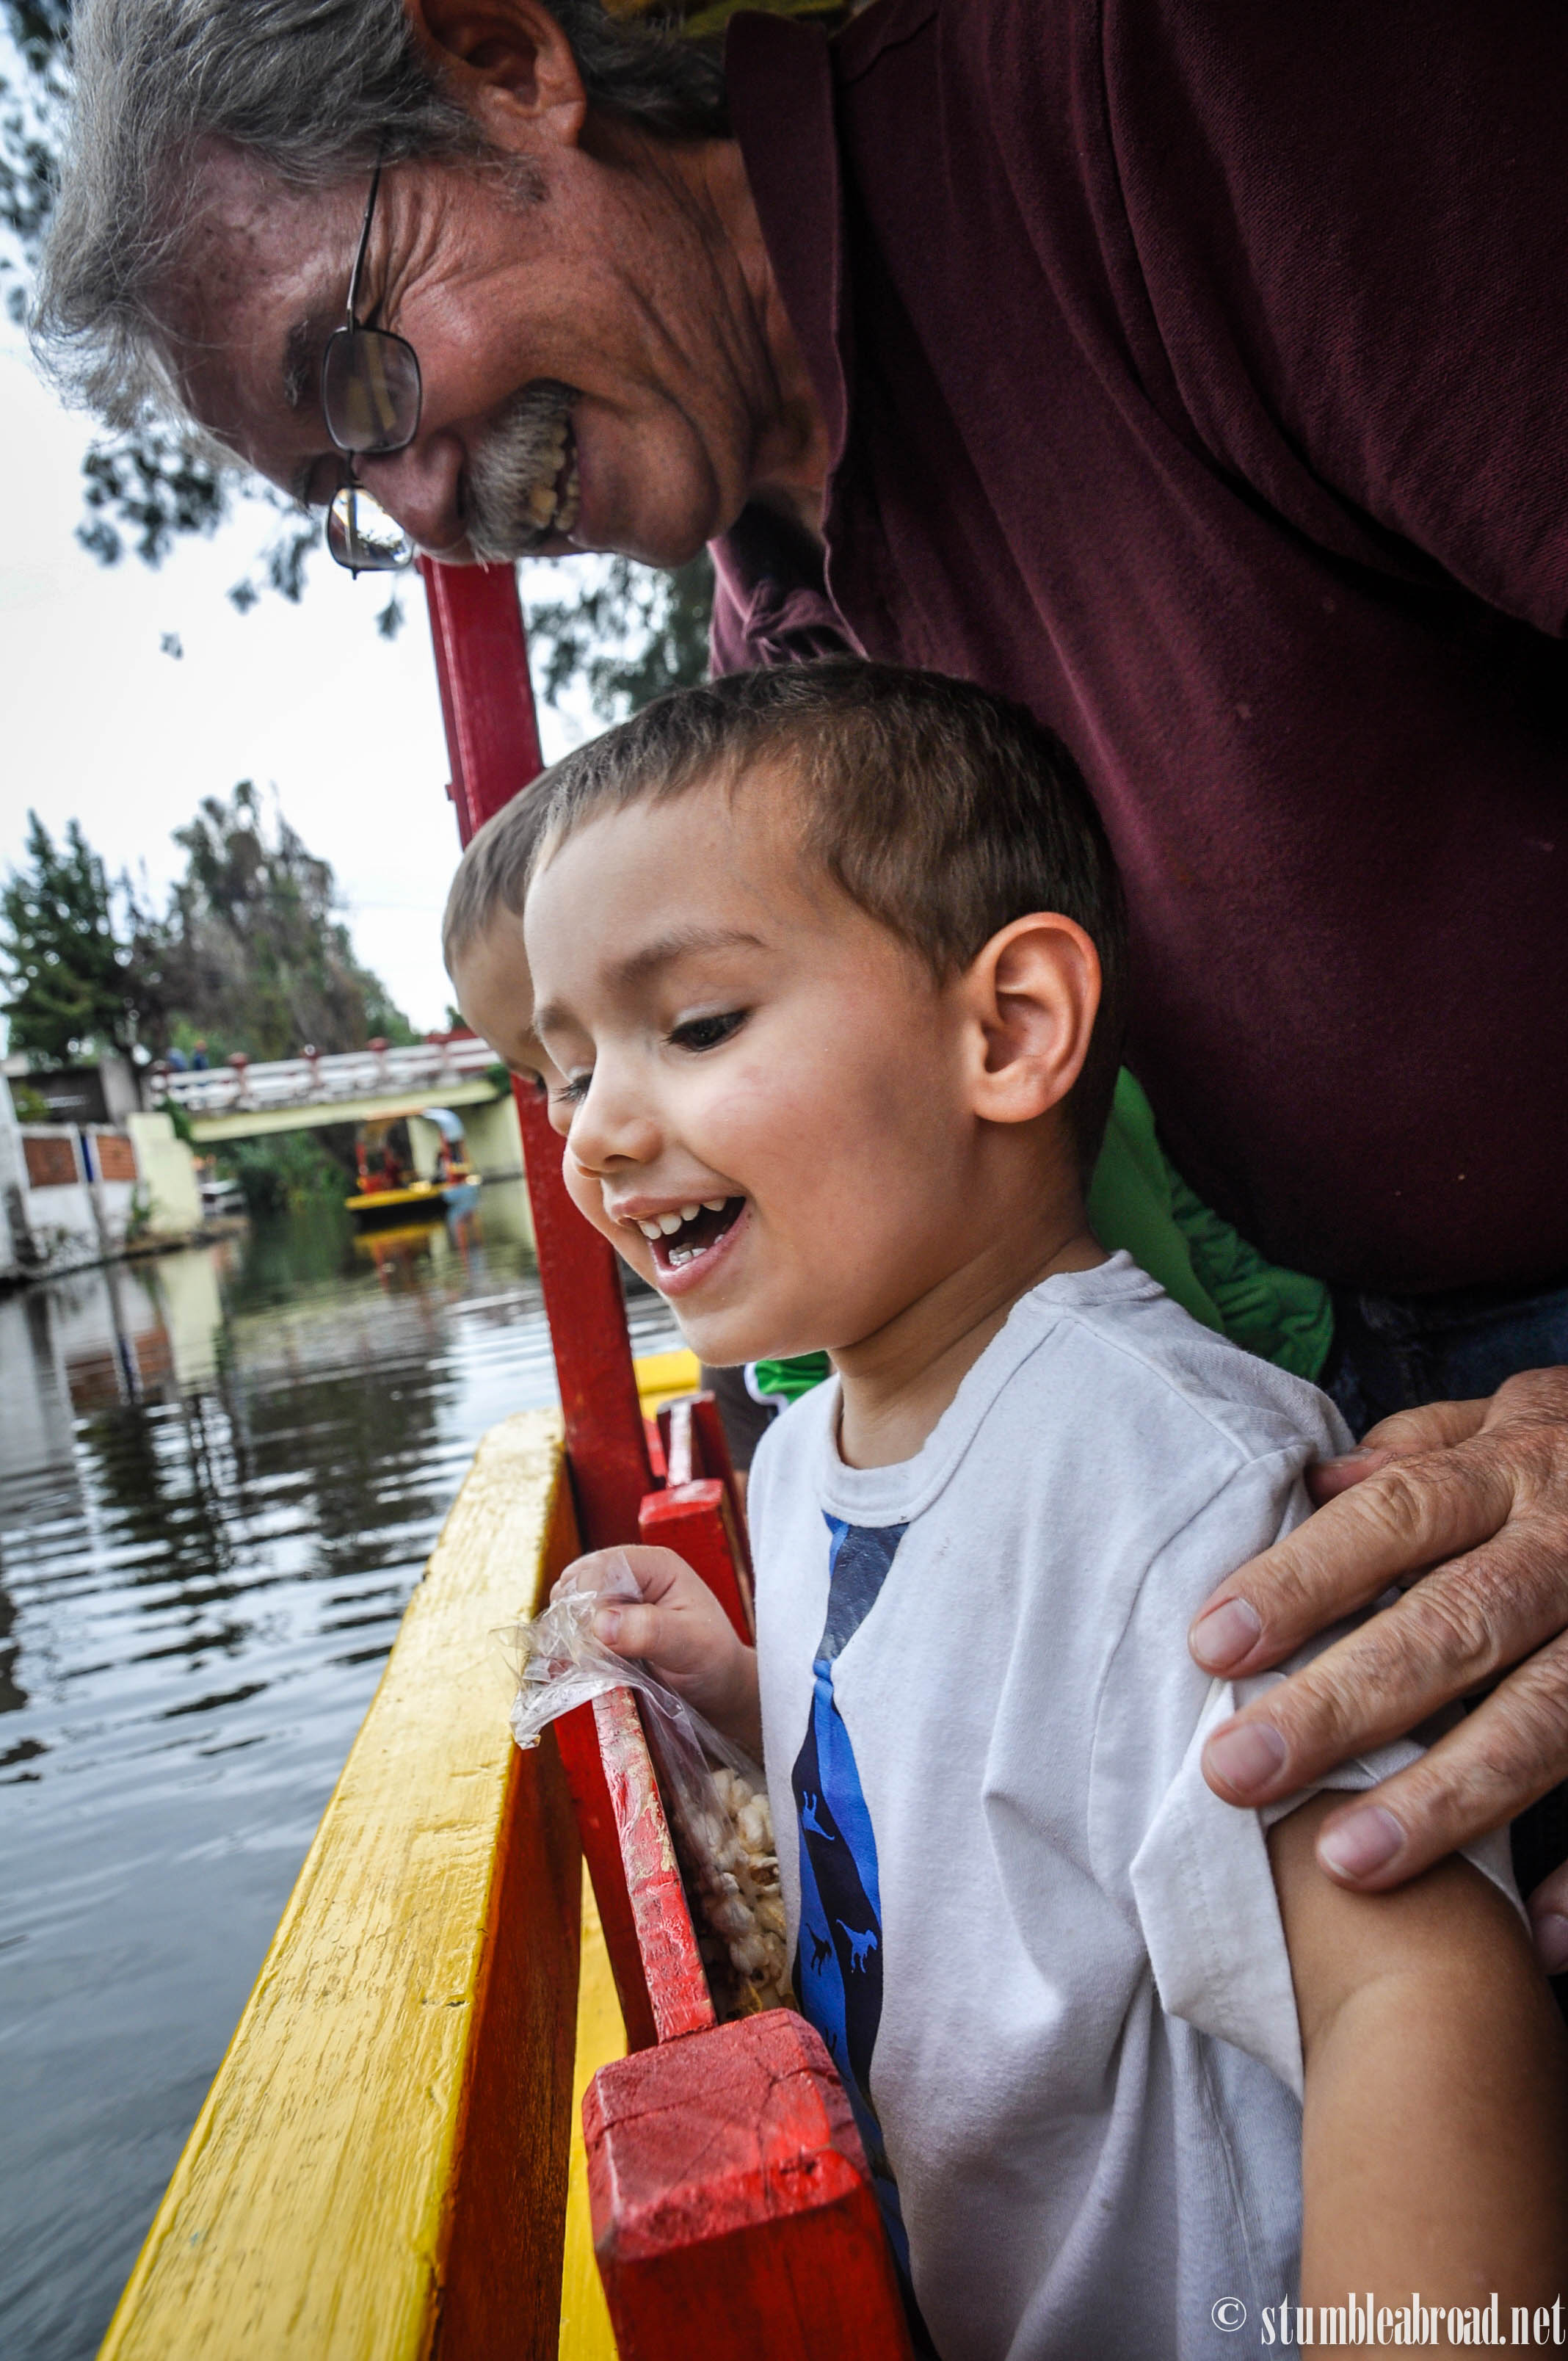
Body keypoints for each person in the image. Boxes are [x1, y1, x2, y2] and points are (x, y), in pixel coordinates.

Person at [35, 0, 1568, 1945]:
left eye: (354, 378)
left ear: (509, 62)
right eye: (342, 493)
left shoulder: (1167, 99)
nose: (417, 510)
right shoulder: (769, 687)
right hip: (1395, 1418)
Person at [445, 660, 1568, 2355]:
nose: (595, 1133)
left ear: (1010, 1030)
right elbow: (969, 1763)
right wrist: (747, 1696)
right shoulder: (813, 1449)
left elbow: (1416, 1989)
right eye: (565, 1069)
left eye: (697, 1027)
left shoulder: (1165, 1481)